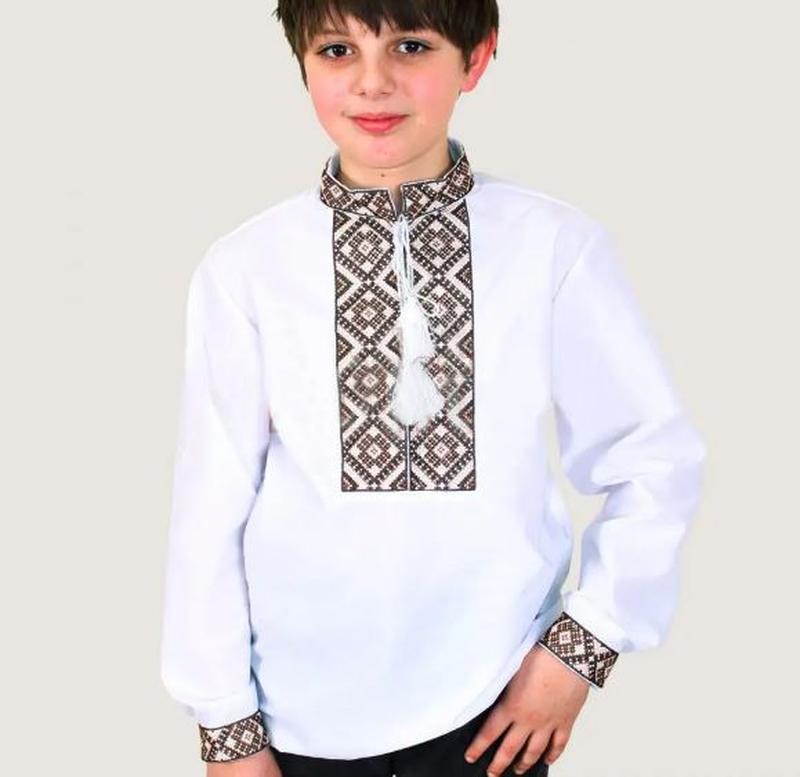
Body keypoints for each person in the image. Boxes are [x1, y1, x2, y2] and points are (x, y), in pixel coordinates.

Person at [159, 2, 707, 776]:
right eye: (338, 50)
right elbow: (210, 508)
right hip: (295, 721)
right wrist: (226, 725)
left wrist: (579, 652)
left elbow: (656, 461)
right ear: (303, 65)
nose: (372, 82)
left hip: (491, 713)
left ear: (475, 58)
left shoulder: (553, 248)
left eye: (410, 46)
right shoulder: (246, 269)